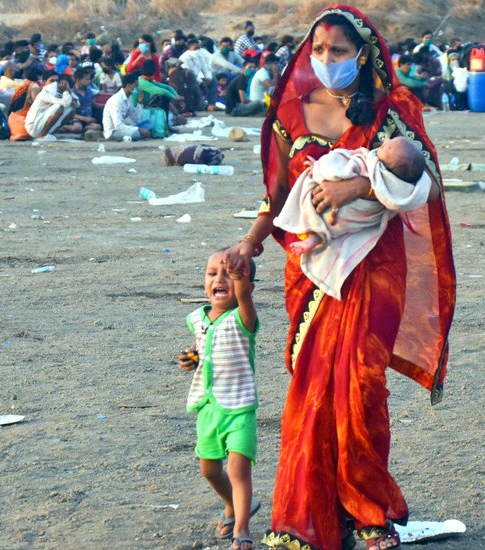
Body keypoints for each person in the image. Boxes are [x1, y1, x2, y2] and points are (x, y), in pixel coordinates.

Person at [223, 6, 455, 550]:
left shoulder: (393, 110)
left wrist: (358, 188)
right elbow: (277, 196)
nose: (327, 60)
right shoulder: (294, 113)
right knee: (312, 386)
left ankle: (368, 511)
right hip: (310, 269)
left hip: (375, 265)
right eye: (320, 50)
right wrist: (249, 243)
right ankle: (307, 516)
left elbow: (431, 184)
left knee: (361, 385)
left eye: (340, 51)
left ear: (365, 55)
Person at [274, 137, 430, 299]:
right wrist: (251, 241)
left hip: (376, 259)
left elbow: (429, 190)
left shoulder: (376, 155)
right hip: (338, 222)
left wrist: (359, 187)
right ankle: (316, 235)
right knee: (329, 220)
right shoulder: (287, 114)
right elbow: (277, 187)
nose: (385, 140)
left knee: (331, 219)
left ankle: (316, 235)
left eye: (388, 146)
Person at [179, 249, 261, 550]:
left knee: (239, 469)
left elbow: (244, 298)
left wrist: (239, 276)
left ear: (247, 286)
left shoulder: (244, 317)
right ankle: (233, 504)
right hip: (208, 407)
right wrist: (190, 359)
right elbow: (200, 348)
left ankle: (242, 527)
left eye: (230, 274)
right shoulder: (197, 319)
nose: (220, 279)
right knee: (209, 469)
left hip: (240, 408)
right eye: (212, 273)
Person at [24, 70, 76, 140]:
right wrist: (65, 91)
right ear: (45, 82)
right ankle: (42, 136)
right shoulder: (45, 93)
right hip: (33, 127)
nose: (54, 83)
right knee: (59, 107)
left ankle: (48, 133)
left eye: (56, 81)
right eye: (52, 81)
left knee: (71, 110)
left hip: (42, 125)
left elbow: (76, 104)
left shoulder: (57, 93)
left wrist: (68, 90)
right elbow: (65, 102)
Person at [102, 71, 150, 141]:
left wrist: (139, 102)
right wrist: (137, 129)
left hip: (125, 126)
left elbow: (135, 119)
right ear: (128, 86)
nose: (137, 88)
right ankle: (124, 138)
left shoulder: (129, 98)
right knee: (136, 133)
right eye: (136, 85)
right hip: (113, 131)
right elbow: (118, 125)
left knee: (149, 124)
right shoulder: (117, 100)